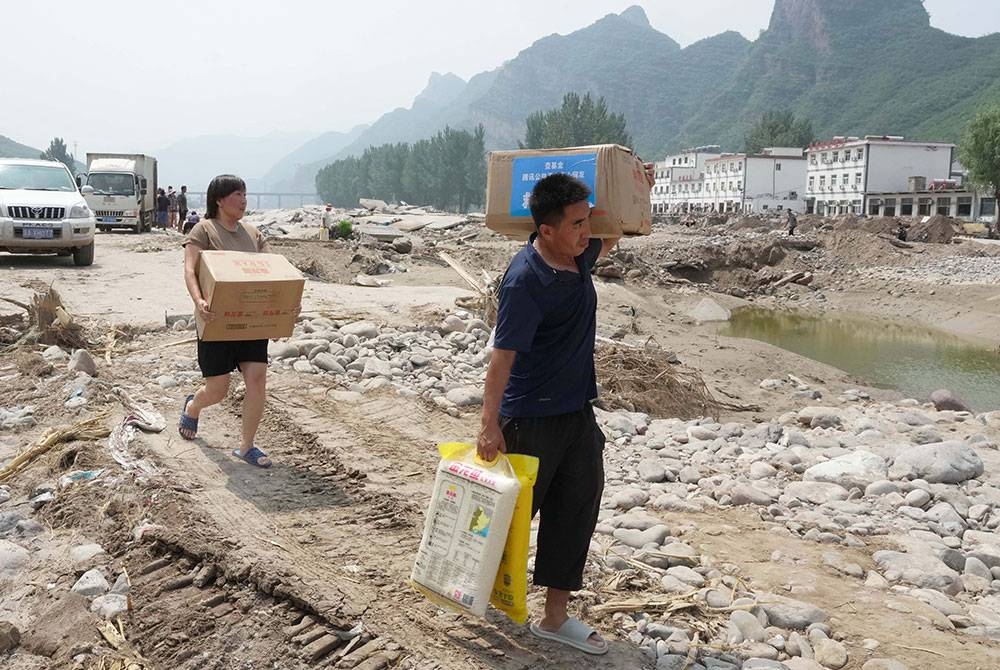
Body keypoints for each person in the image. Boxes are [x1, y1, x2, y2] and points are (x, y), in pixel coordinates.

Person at [477, 167, 652, 655]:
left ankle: (554, 617)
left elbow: (615, 231)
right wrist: (489, 424)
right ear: (545, 230)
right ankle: (467, 582)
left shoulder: (578, 257)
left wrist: (639, 184)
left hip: (576, 414)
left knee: (575, 512)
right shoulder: (525, 281)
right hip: (528, 418)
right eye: (576, 224)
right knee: (511, 517)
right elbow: (502, 358)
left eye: (586, 221)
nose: (586, 232)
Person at [178, 174, 293, 468]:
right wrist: (199, 301)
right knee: (218, 390)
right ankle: (194, 405)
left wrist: (282, 314)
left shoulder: (253, 234)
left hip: (253, 322)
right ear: (219, 199)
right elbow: (190, 271)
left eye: (245, 194)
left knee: (257, 380)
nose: (243, 200)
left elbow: (275, 275)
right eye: (237, 195)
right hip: (216, 320)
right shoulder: (203, 230)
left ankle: (246, 446)